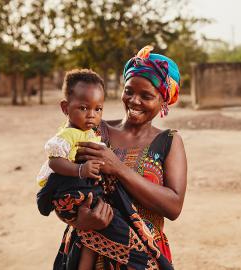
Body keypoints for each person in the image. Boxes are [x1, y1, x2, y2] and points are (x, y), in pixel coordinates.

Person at [52, 45, 187, 269]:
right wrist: (77, 220)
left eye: (146, 96)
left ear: (164, 101)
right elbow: (58, 185)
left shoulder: (169, 142)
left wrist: (118, 168)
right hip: (85, 254)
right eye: (129, 91)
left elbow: (174, 207)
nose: (134, 101)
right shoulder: (93, 130)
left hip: (142, 257)